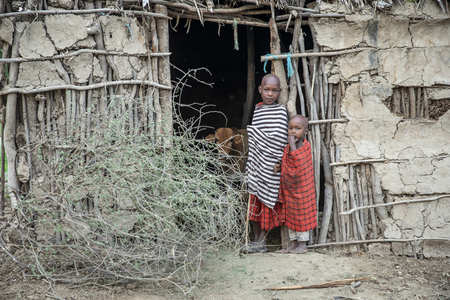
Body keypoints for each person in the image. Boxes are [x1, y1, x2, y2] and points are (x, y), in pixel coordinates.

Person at [245, 74, 288, 253]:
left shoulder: (281, 111)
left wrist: (278, 161)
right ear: (260, 90)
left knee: (265, 205)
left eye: (274, 90)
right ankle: (256, 240)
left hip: (271, 167)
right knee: (254, 204)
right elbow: (255, 138)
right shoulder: (258, 110)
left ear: (279, 92)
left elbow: (280, 139)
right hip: (256, 165)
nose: (270, 94)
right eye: (267, 90)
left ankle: (262, 241)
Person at [274, 115, 317, 254]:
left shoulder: (306, 147)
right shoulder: (287, 149)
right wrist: (281, 166)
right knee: (290, 215)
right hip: (290, 189)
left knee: (302, 215)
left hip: (303, 190)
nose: (293, 132)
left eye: (297, 128)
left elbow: (299, 165)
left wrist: (292, 145)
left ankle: (303, 244)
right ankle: (293, 244)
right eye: (290, 128)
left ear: (306, 132)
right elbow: (290, 164)